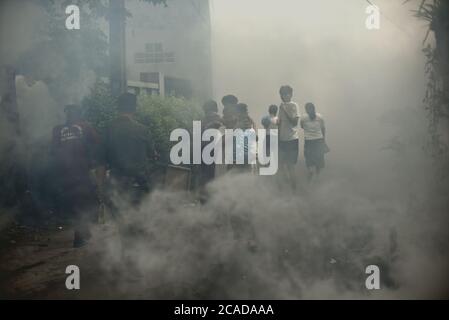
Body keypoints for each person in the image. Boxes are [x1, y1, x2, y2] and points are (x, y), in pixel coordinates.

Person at [51, 104, 103, 247]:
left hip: (65, 175)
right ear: (79, 115)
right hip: (82, 174)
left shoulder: (57, 130)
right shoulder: (85, 127)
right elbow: (98, 143)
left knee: (77, 204)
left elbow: (53, 152)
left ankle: (83, 234)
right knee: (88, 203)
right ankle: (81, 238)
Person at [102, 92, 157, 214]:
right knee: (141, 222)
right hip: (139, 185)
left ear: (118, 107)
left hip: (116, 185)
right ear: (134, 108)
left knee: (118, 223)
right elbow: (152, 156)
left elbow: (101, 162)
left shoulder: (108, 129)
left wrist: (102, 189)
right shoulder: (143, 130)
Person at [199, 100, 224, 202]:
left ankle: (206, 200)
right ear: (216, 109)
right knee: (219, 177)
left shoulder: (202, 121)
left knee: (206, 177)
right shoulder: (223, 120)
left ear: (206, 110)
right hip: (220, 155)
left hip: (205, 154)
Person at [277, 85, 300, 189]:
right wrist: (277, 138)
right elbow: (279, 123)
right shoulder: (281, 106)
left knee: (290, 166)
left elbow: (294, 122)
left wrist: (285, 110)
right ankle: (284, 188)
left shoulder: (294, 105)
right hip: (282, 139)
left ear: (291, 94)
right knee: (280, 165)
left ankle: (294, 190)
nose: (285, 96)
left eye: (287, 94)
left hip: (292, 139)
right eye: (283, 94)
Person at [300, 102, 328, 181]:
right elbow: (323, 129)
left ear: (306, 110)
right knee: (319, 160)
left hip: (309, 141)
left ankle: (310, 172)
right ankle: (317, 177)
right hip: (319, 140)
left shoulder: (303, 118)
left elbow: (302, 127)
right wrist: (323, 140)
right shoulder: (320, 117)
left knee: (309, 160)